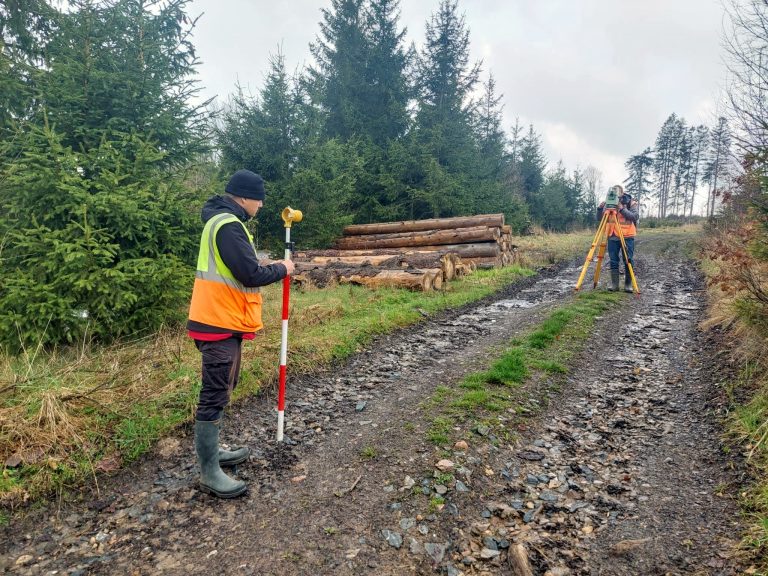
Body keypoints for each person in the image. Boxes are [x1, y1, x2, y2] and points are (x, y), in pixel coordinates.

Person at [187, 169, 295, 498]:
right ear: (244, 197)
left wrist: (267, 263)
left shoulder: (221, 221)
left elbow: (240, 265)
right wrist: (283, 269)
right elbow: (249, 274)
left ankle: (213, 452)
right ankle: (209, 472)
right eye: (258, 198)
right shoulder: (228, 225)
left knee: (223, 386)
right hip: (218, 320)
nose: (261, 204)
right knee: (215, 391)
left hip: (220, 319)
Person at [597, 184, 639, 292]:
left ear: (622, 193)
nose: (615, 195)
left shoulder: (630, 202)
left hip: (627, 236)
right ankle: (614, 285)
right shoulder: (608, 202)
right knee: (613, 260)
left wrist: (621, 209)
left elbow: (634, 216)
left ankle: (628, 285)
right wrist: (600, 209)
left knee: (628, 260)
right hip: (612, 235)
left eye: (618, 193)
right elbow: (600, 219)